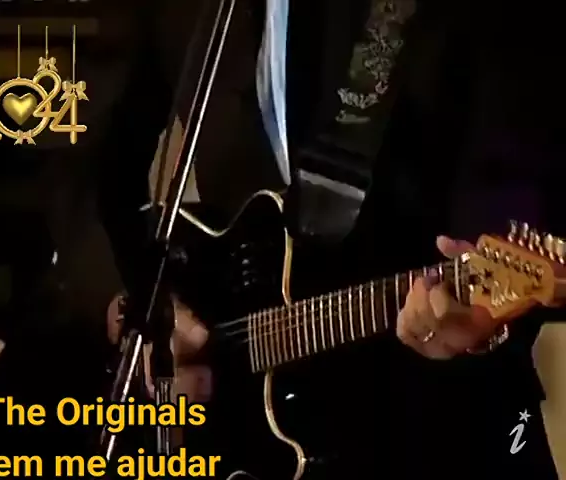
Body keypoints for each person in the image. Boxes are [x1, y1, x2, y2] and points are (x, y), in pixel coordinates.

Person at [98, 0, 564, 478]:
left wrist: (482, 313)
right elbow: (101, 172)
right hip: (251, 441)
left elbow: (524, 172)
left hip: (438, 427)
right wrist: (142, 302)